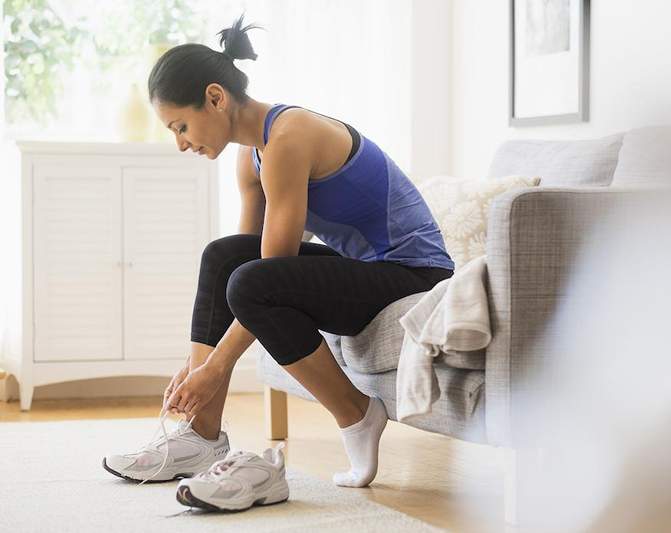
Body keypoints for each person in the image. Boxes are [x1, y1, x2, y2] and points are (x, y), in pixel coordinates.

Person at [101, 14, 454, 510]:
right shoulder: (252, 156)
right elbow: (240, 264)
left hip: (414, 274)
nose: (181, 142)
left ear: (216, 98)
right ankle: (201, 435)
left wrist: (214, 368)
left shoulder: (290, 136)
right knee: (223, 256)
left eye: (181, 125)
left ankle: (357, 414)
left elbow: (267, 276)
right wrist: (193, 367)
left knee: (253, 281)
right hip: (367, 271)